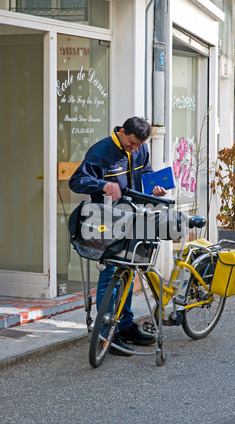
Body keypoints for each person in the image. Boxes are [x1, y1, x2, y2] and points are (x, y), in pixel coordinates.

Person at [69, 117, 167, 356]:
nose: (134, 149)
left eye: (138, 145)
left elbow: (146, 173)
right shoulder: (101, 151)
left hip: (135, 217)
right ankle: (105, 335)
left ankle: (124, 327)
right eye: (132, 143)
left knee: (130, 270)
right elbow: (76, 181)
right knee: (110, 275)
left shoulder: (140, 147)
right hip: (107, 221)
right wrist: (102, 185)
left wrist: (155, 185)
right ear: (122, 132)